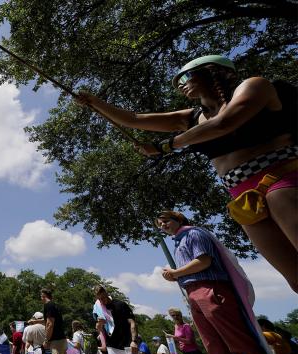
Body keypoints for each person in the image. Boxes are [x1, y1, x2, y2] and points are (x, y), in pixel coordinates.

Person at [76, 55, 297, 295]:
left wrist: (167, 145)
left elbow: (225, 123)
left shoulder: (255, 86)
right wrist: (95, 102)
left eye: (184, 77)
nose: (180, 85)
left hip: (280, 179)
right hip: (242, 197)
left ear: (213, 72)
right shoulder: (191, 118)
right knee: (294, 279)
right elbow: (134, 119)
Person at [158, 211, 296, 354]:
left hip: (210, 289)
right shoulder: (178, 242)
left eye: (166, 220)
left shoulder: (194, 233)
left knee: (242, 347)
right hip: (193, 293)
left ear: (180, 219)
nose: (163, 224)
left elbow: (204, 260)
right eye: (160, 223)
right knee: (218, 351)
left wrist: (175, 273)